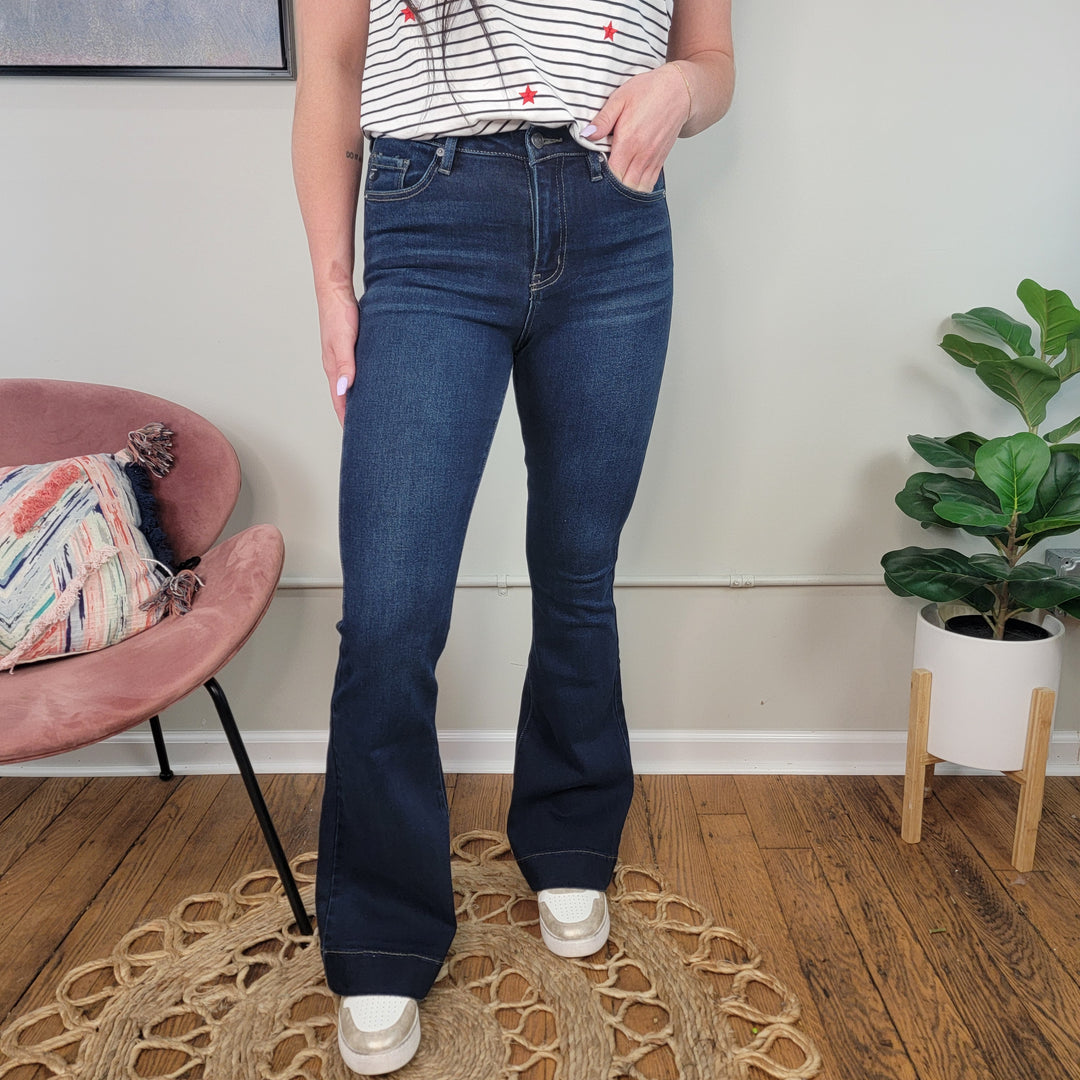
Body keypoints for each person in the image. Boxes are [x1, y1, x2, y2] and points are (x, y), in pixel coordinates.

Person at [291, 0, 734, 1072]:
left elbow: (712, 59)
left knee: (579, 568)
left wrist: (681, 89)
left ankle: (570, 832)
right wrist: (332, 283)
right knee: (391, 613)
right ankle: (383, 924)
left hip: (616, 222)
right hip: (430, 214)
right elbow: (332, 70)